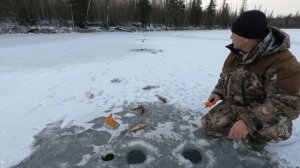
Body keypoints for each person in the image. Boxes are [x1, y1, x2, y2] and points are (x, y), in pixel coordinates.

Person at [201, 10, 300, 151]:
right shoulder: (237, 53)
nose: (230, 37)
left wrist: (249, 122)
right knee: (209, 124)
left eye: (233, 33)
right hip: (238, 105)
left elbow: (287, 103)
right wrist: (218, 92)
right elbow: (225, 77)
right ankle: (244, 128)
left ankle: (256, 136)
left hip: (264, 111)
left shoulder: (283, 62)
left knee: (264, 133)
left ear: (245, 37)